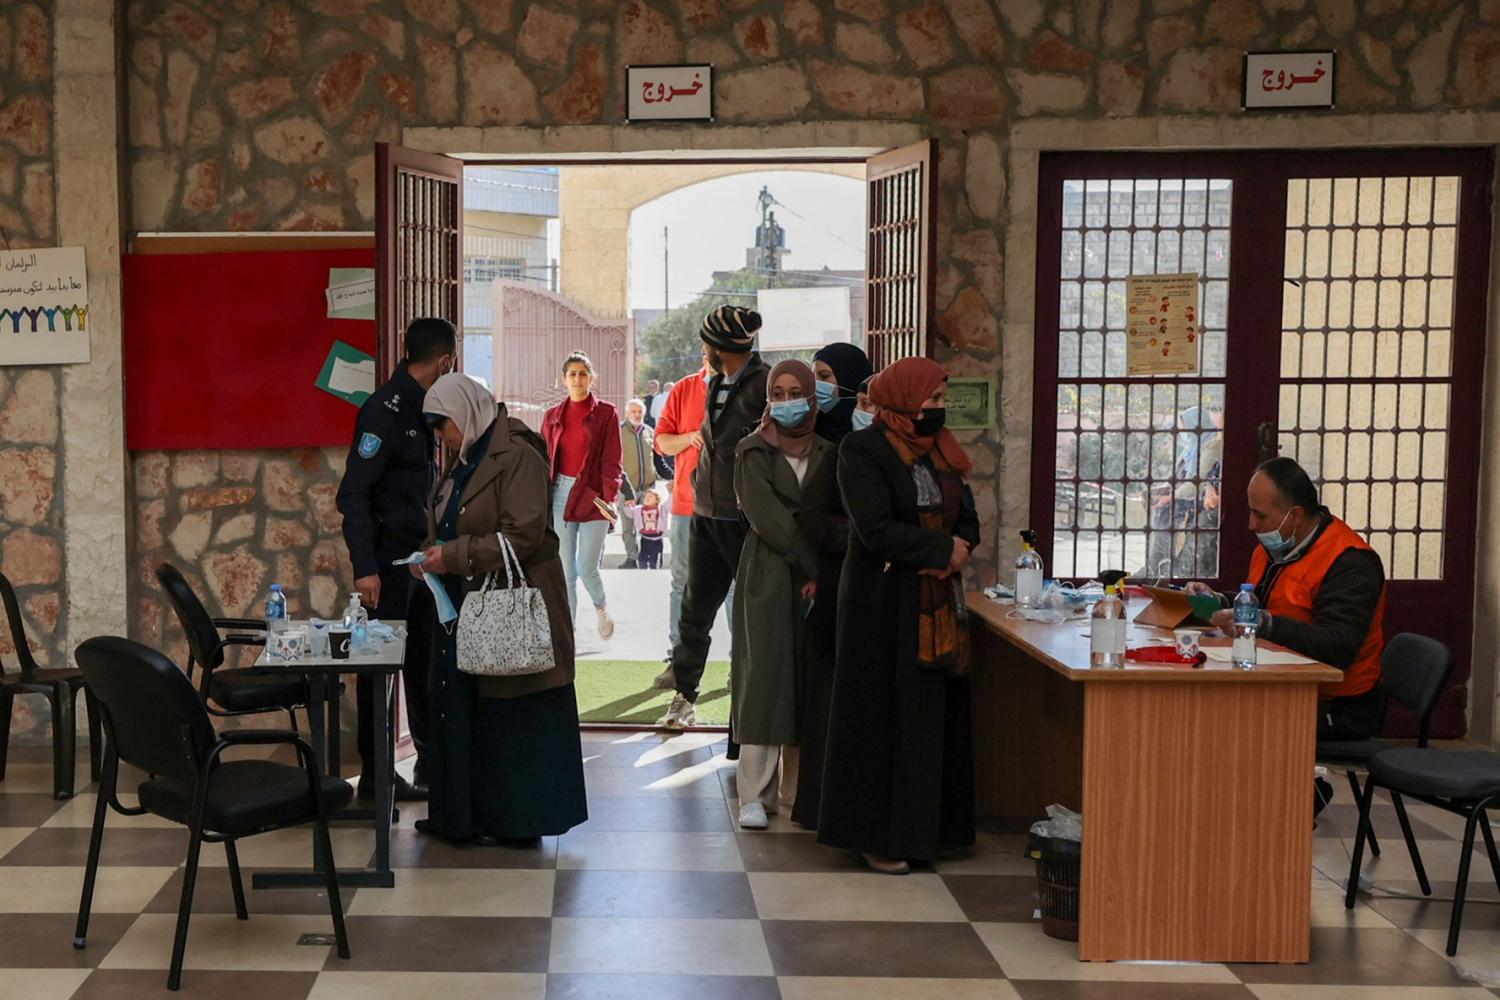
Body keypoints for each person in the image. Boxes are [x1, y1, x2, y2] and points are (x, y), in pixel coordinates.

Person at [818, 357, 980, 874]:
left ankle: (928, 834)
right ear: (905, 398)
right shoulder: (861, 450)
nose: (939, 409)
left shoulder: (941, 449)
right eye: (932, 399)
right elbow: (874, 529)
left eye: (941, 399)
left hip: (934, 603)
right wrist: (940, 550)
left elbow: (967, 519)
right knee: (881, 716)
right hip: (882, 603)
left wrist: (956, 550)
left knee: (928, 717)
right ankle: (877, 837)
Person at [410, 373, 587, 844]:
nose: (440, 436)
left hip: (511, 606)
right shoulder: (467, 454)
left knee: (515, 717)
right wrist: (431, 554)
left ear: (466, 412)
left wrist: (451, 555)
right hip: (469, 605)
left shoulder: (517, 453)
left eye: (443, 424)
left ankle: (516, 823)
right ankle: (464, 817)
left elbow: (523, 534)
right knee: (471, 713)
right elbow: (456, 519)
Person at [1185, 456, 1386, 811]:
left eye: (1260, 515)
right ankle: (1225, 807)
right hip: (1281, 681)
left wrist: (1264, 624)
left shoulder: (1351, 562)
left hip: (1339, 705)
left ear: (1294, 515)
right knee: (1205, 705)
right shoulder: (1275, 549)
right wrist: (1217, 601)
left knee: (1228, 720)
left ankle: (1281, 807)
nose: (1251, 524)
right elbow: (1262, 602)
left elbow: (1337, 646)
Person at [335, 317, 453, 802]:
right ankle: (377, 774)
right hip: (385, 564)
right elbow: (354, 494)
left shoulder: (422, 406)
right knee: (379, 670)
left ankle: (430, 764)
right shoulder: (384, 410)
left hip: (418, 562)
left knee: (422, 664)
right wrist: (365, 567)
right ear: (444, 361)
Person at [730, 360, 833, 829]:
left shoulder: (829, 452)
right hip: (770, 572)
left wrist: (821, 572)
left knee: (808, 678)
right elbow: (768, 517)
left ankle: (797, 791)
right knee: (765, 677)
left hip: (817, 577)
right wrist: (813, 565)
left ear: (811, 397)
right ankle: (754, 794)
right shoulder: (752, 450)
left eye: (796, 392)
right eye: (779, 393)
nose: (787, 401)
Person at [658, 306, 769, 729]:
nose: (703, 350)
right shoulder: (714, 383)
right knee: (693, 615)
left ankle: (751, 703)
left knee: (751, 616)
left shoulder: (765, 385)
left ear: (721, 347)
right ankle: (684, 697)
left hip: (745, 522)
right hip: (705, 515)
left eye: (707, 343)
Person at [793, 370, 877, 830]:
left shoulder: (914, 459)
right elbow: (811, 518)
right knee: (829, 701)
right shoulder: (841, 455)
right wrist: (865, 535)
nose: (868, 413)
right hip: (838, 590)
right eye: (862, 403)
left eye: (876, 405)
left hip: (885, 598)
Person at [540, 350, 622, 638]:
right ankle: (568, 636)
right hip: (561, 494)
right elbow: (543, 460)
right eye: (572, 374)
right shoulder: (552, 416)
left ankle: (601, 608)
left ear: (592, 378)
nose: (578, 379)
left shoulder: (606, 413)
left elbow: (612, 461)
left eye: (583, 374)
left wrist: (609, 498)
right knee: (566, 571)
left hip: (594, 496)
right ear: (563, 379)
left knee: (586, 566)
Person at [652, 343, 714, 679]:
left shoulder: (746, 391)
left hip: (731, 507)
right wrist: (690, 437)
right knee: (681, 583)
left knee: (734, 587)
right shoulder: (684, 389)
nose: (712, 356)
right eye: (707, 350)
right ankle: (677, 660)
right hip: (686, 506)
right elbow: (661, 442)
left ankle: (740, 664)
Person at [617, 398, 657, 569]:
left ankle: (648, 558)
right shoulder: (618, 431)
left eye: (640, 412)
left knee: (650, 525)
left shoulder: (649, 431)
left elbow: (657, 458)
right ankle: (631, 557)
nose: (637, 414)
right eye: (633, 411)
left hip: (648, 488)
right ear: (627, 413)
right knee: (628, 527)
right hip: (627, 489)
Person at [811, 342, 875, 443]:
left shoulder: (867, 421)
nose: (815, 384)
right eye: (813, 377)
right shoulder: (810, 427)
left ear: (848, 378)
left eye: (824, 376)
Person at [633, 487, 668, 569]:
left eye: (650, 496)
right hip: (645, 538)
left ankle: (655, 570)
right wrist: (627, 504)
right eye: (645, 497)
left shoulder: (661, 509)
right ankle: (643, 570)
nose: (647, 498)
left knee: (655, 559)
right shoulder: (639, 509)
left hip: (657, 539)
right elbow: (629, 512)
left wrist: (671, 493)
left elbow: (670, 505)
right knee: (642, 558)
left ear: (657, 500)